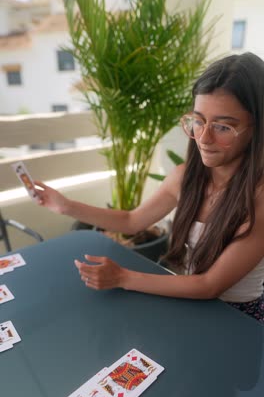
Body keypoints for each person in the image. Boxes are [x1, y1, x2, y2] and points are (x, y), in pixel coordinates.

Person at [35, 52, 264, 321]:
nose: (204, 137)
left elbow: (209, 285)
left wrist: (121, 277)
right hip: (193, 305)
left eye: (223, 127)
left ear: (256, 128)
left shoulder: (259, 197)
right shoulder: (185, 177)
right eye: (198, 120)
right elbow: (132, 221)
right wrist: (65, 206)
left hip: (240, 321)